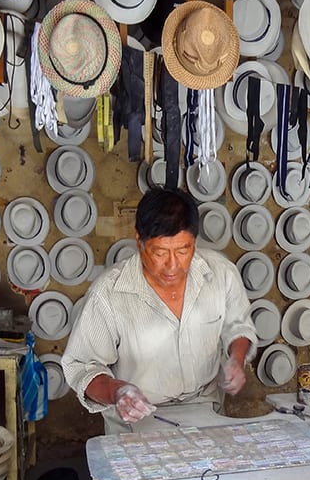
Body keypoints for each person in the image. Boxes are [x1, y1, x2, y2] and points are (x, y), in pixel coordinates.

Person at [62, 187, 258, 436]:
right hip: (137, 420)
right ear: (139, 242)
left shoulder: (220, 273)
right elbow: (81, 366)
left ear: (194, 242)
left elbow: (238, 326)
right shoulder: (109, 293)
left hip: (206, 411)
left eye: (183, 250)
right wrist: (117, 392)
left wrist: (236, 359)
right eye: (160, 252)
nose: (173, 265)